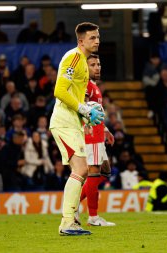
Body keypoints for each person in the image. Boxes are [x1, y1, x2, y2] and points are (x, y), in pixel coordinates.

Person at [49, 22, 104, 236]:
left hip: (73, 121)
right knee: (81, 169)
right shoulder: (73, 57)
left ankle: (70, 220)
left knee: (82, 170)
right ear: (81, 41)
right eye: (92, 37)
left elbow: (73, 93)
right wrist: (84, 109)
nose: (97, 40)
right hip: (63, 121)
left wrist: (84, 115)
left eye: (98, 37)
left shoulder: (81, 61)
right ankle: (67, 222)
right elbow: (60, 91)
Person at [77, 54, 115, 226]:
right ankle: (92, 216)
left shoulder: (95, 86)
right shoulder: (85, 84)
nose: (97, 67)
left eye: (98, 64)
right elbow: (82, 106)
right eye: (92, 65)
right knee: (94, 172)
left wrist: (106, 129)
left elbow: (96, 112)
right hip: (91, 135)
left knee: (105, 170)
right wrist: (87, 126)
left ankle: (74, 203)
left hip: (99, 133)